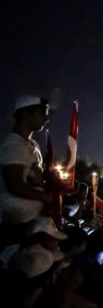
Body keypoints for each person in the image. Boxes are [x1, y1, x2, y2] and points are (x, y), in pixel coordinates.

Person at [0, 95, 51, 246]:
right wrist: (46, 197)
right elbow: (14, 185)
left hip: (31, 221)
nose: (46, 119)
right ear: (25, 114)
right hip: (16, 224)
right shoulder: (13, 146)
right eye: (42, 114)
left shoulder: (33, 145)